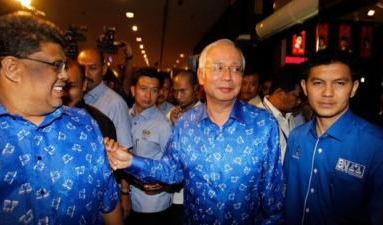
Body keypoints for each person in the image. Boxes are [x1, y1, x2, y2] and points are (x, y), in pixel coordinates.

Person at [106, 39, 284, 225]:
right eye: (218, 67)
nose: (228, 76)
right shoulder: (186, 124)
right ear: (201, 75)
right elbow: (171, 170)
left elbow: (272, 193)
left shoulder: (263, 124)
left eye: (236, 69)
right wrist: (130, 161)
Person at [0, 11, 122, 225]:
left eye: (64, 66)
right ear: (12, 68)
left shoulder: (84, 125)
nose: (65, 75)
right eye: (56, 65)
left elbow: (109, 205)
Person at [284, 49, 383, 225]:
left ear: (353, 88)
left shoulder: (376, 145)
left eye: (339, 83)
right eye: (318, 83)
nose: (327, 93)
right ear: (305, 87)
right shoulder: (296, 137)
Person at [125, 67, 172, 225]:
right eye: (143, 89)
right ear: (133, 90)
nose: (148, 95)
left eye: (154, 90)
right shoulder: (124, 115)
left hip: (152, 204)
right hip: (126, 197)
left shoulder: (162, 125)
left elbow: (173, 164)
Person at [78, 48, 132, 149]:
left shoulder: (116, 104)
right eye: (81, 68)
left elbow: (125, 149)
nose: (85, 74)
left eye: (93, 68)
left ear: (103, 70)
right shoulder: (73, 98)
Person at [167, 69, 202, 225]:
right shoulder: (171, 113)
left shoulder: (206, 115)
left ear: (196, 89)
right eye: (175, 91)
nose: (178, 96)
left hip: (195, 192)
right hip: (171, 192)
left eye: (183, 91)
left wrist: (181, 127)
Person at [63, 59, 116, 139]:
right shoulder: (44, 118)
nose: (63, 93)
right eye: (59, 86)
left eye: (71, 86)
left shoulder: (100, 123)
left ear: (84, 85)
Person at [260, 66, 302, 161]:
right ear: (280, 93)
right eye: (295, 95)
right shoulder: (258, 117)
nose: (298, 101)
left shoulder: (289, 115)